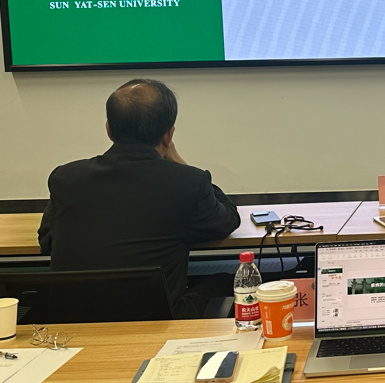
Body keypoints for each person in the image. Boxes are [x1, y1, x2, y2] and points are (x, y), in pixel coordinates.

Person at [38, 79, 241, 319]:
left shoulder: (65, 178)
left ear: (108, 129)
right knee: (226, 280)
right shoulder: (188, 183)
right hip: (158, 323)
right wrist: (178, 161)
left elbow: (46, 241)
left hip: (71, 325)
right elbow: (227, 220)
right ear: (169, 134)